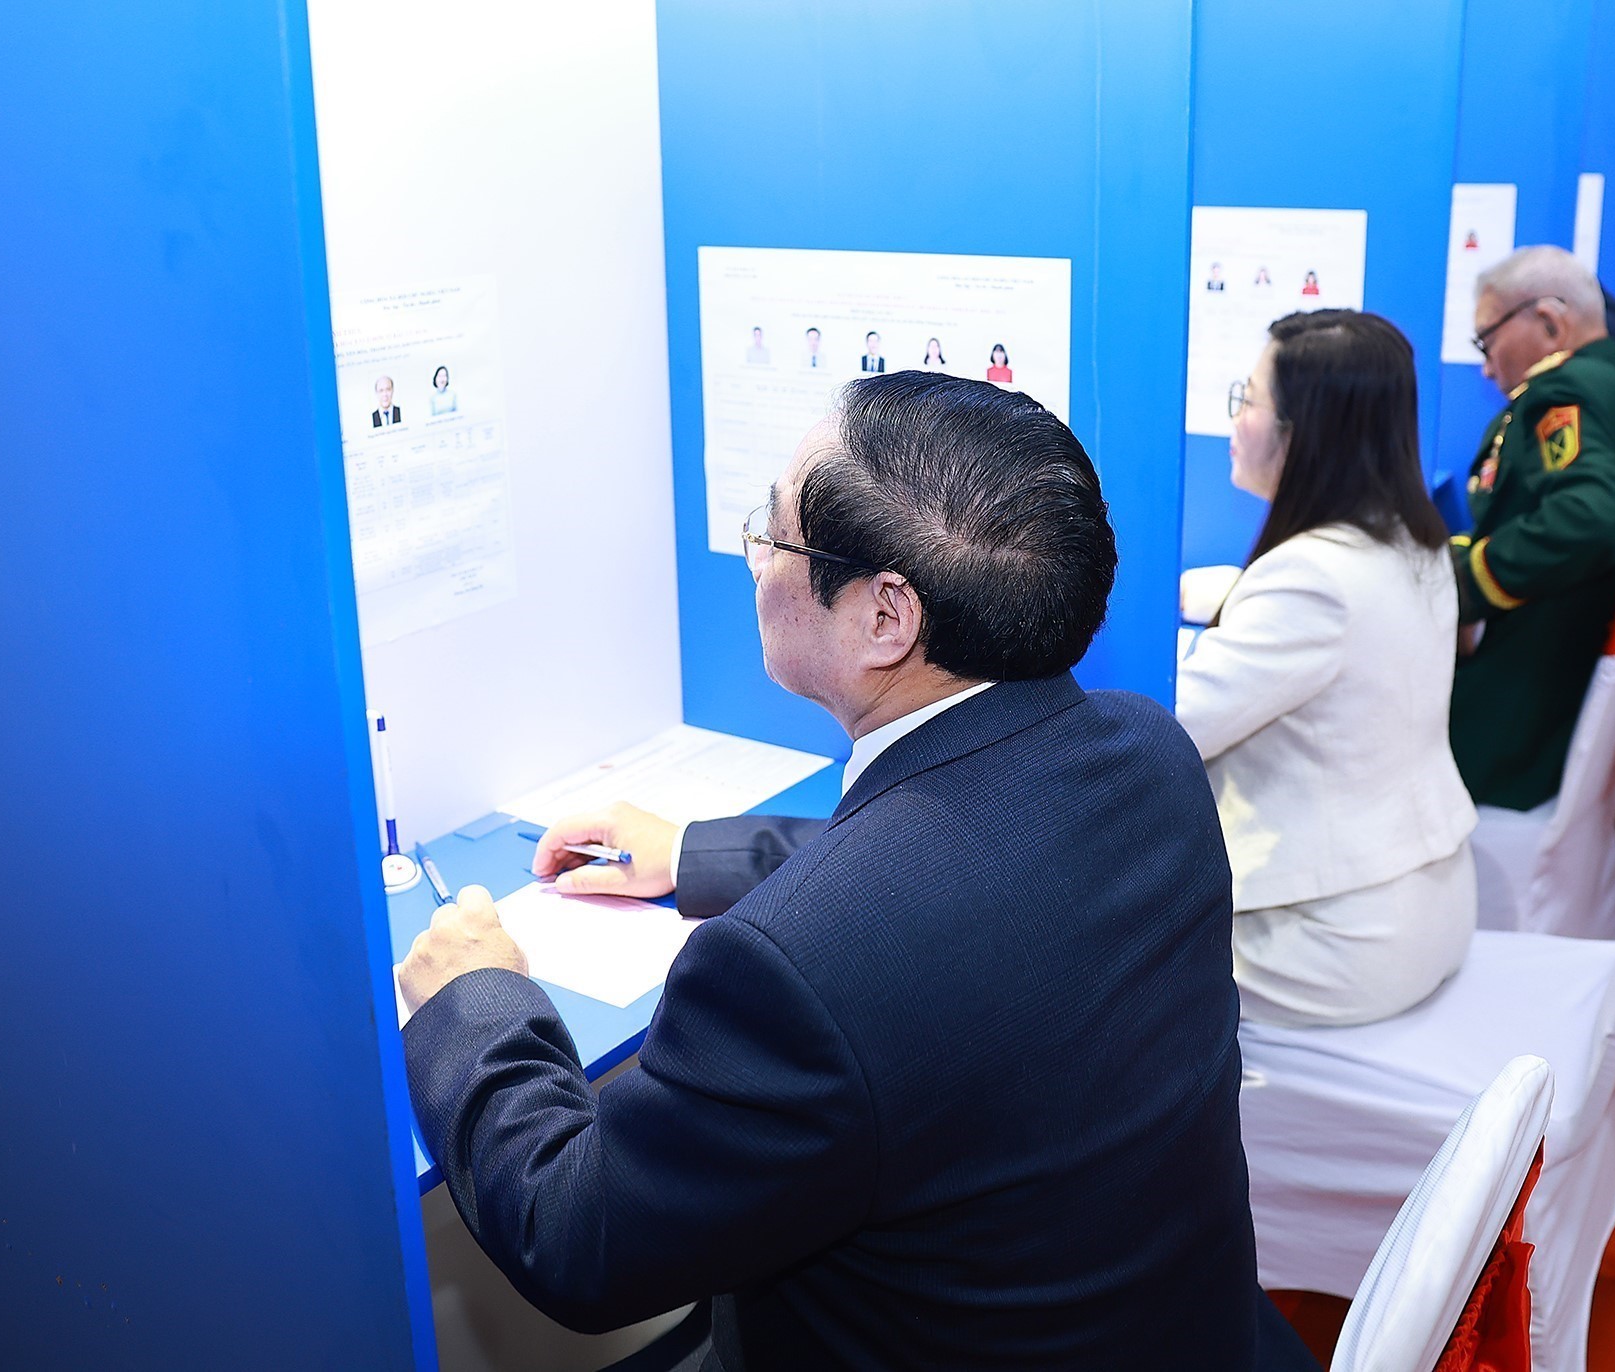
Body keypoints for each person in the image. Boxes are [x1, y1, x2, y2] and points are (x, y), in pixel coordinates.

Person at [399, 374, 1263, 1368]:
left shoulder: (789, 973)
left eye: (773, 532)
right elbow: (970, 867)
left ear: (886, 616)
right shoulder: (1146, 752)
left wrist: (474, 1001)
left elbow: (577, 1236)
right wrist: (693, 854)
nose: (756, 559)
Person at [1179, 311, 1476, 1027]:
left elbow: (1169, 730)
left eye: (1248, 399)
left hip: (1331, 941)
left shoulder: (1307, 581)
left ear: (1303, 433)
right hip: (1425, 905)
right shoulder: (1415, 544)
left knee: (1090, 978)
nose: (1236, 419)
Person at [1451, 246, 1615, 810]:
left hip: (1519, 709)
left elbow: (1592, 515)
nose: (1487, 368)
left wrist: (1468, 581)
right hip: (1569, 696)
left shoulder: (1562, 394)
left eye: (1486, 341)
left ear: (1550, 322)